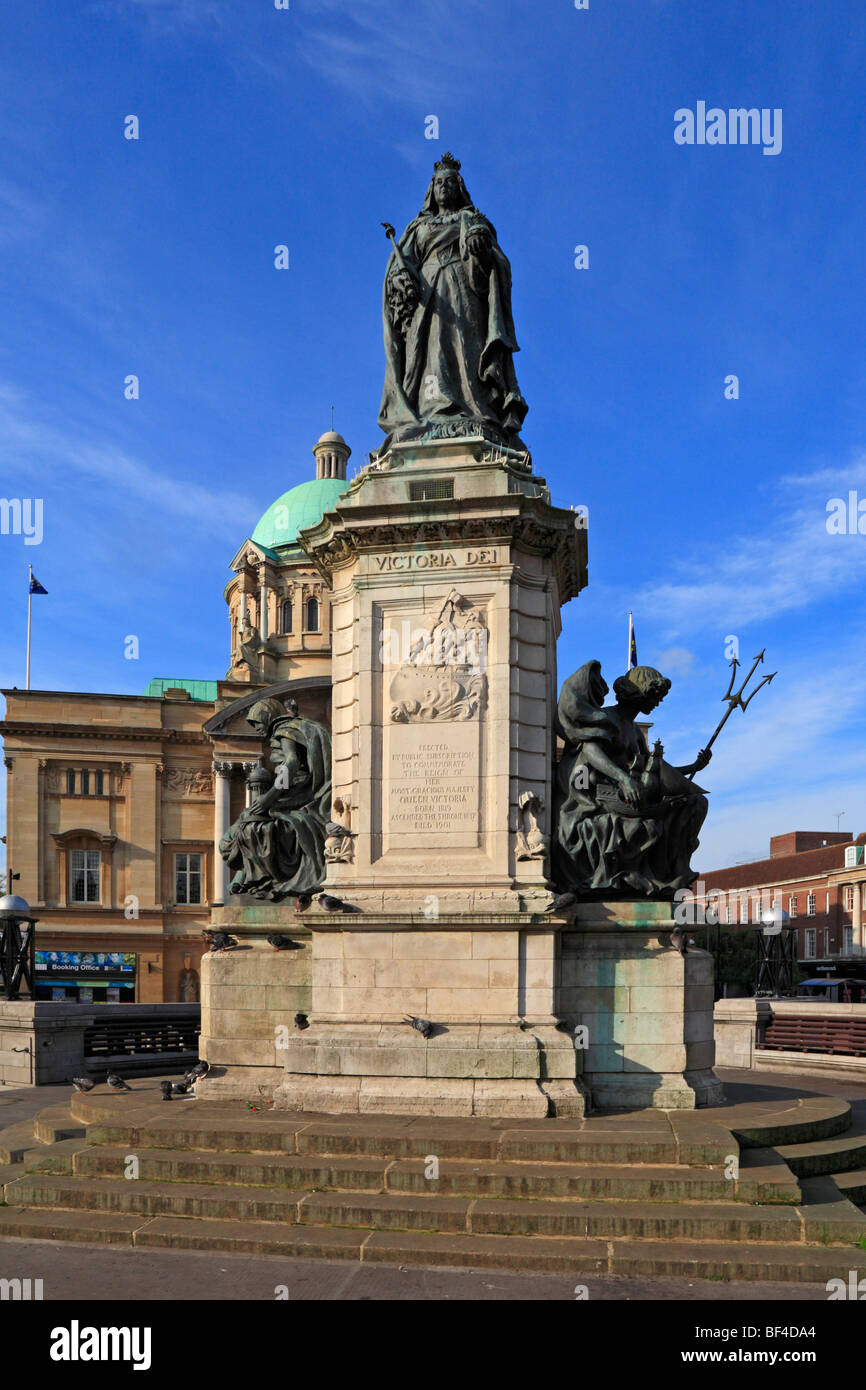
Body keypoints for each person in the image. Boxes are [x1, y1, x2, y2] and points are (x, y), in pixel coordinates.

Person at [378, 153, 527, 446]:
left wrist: (479, 246)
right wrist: (400, 279)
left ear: (459, 187)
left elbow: (496, 261)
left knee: (466, 347)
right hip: (427, 297)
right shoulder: (417, 228)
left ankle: (474, 409)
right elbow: (399, 268)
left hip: (463, 293)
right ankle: (431, 410)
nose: (444, 187)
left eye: (449, 182)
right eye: (439, 183)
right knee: (428, 354)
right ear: (431, 190)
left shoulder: (471, 219)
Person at [553, 662, 711, 897]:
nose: (659, 701)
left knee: (696, 803)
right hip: (595, 796)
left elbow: (654, 770)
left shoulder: (636, 731)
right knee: (645, 825)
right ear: (641, 693)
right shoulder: (606, 717)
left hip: (628, 795)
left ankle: (676, 871)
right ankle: (624, 879)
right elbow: (590, 752)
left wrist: (693, 767)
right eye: (655, 695)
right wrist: (624, 780)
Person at [219, 697, 331, 901]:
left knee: (245, 828)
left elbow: (292, 762)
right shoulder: (293, 727)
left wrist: (269, 798)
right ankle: (247, 877)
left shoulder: (284, 730)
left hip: (299, 793)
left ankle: (254, 879)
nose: (258, 729)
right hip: (295, 792)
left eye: (258, 722)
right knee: (246, 823)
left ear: (268, 715)